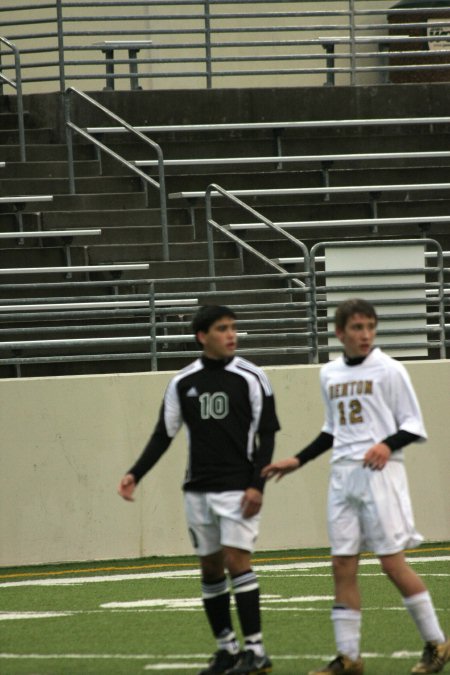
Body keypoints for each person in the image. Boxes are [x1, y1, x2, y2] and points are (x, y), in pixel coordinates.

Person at [261, 298, 449, 675]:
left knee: (392, 563)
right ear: (339, 332)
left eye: (370, 327)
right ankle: (349, 657)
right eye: (357, 328)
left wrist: (385, 444)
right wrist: (297, 460)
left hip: (380, 475)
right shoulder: (329, 373)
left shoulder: (390, 370)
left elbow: (412, 425)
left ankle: (437, 642)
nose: (365, 335)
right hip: (342, 476)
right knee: (342, 563)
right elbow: (333, 429)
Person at [118, 305, 280, 675]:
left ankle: (256, 650)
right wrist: (135, 473)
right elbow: (164, 434)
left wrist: (257, 485)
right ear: (202, 336)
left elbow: (266, 434)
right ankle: (227, 649)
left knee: (237, 561)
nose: (231, 335)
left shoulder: (252, 376)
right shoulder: (182, 382)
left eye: (234, 328)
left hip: (237, 489)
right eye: (223, 328)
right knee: (209, 568)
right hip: (197, 490)